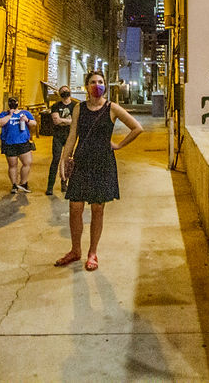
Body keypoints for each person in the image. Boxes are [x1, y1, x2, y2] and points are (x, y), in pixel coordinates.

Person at [55, 70, 142, 271]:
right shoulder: (79, 108)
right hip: (82, 161)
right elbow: (72, 136)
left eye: (100, 81)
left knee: (97, 209)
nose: (97, 85)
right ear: (86, 86)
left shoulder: (112, 108)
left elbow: (137, 128)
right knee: (75, 207)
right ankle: (75, 250)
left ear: (105, 85)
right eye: (93, 82)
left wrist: (119, 146)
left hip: (103, 164)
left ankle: (92, 252)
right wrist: (64, 160)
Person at [0, 96, 36, 194]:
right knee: (12, 165)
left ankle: (23, 183)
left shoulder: (25, 113)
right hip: (9, 143)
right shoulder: (4, 114)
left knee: (27, 162)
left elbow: (34, 124)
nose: (13, 104)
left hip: (23, 143)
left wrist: (27, 120)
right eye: (11, 102)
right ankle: (14, 185)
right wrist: (10, 115)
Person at [45, 85, 75, 196]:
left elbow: (75, 122)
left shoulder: (75, 106)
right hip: (58, 136)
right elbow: (56, 121)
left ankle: (64, 184)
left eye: (66, 90)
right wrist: (68, 120)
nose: (65, 92)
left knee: (68, 161)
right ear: (59, 94)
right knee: (56, 160)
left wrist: (63, 120)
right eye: (62, 91)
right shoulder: (56, 106)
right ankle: (50, 187)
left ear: (70, 92)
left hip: (70, 136)